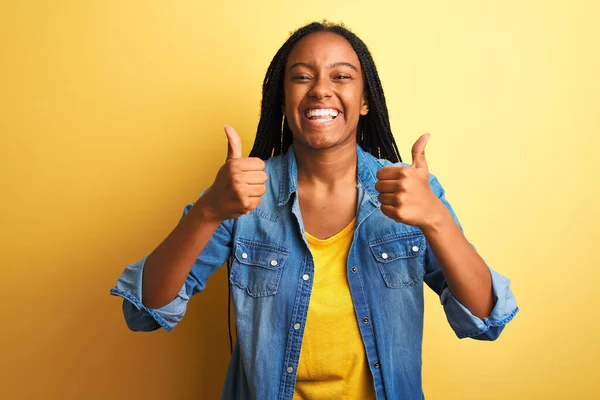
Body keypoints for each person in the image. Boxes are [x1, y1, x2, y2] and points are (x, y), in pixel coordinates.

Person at [111, 21, 518, 400]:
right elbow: (144, 310)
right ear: (283, 100)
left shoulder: (412, 192)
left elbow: (486, 319)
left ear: (364, 102)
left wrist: (435, 218)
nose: (321, 89)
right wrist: (208, 211)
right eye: (302, 76)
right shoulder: (241, 195)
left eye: (340, 76)